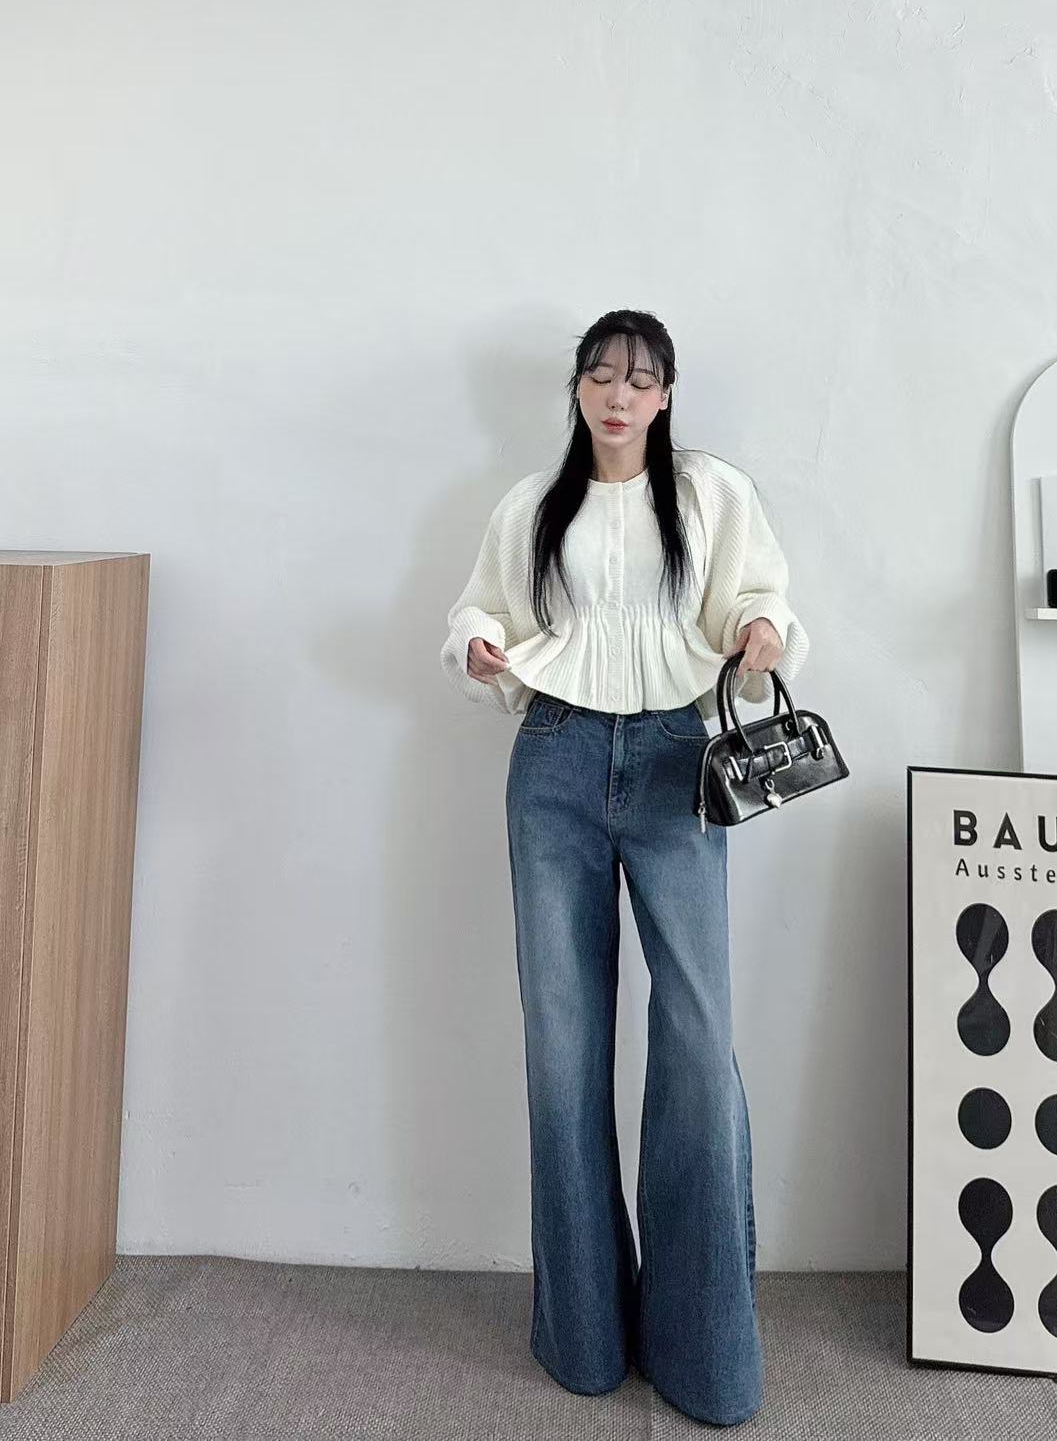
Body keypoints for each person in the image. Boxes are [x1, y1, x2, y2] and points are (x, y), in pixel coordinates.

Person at [440, 310, 809, 1427]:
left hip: (675, 760)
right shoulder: (531, 505)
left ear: (665, 395)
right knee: (563, 1047)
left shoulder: (707, 494)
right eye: (600, 376)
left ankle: (704, 1353)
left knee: (696, 1038)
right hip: (550, 759)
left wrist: (761, 633)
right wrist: (474, 646)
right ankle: (586, 1337)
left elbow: (761, 593)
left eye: (639, 380)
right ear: (578, 389)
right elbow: (478, 605)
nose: (618, 395)